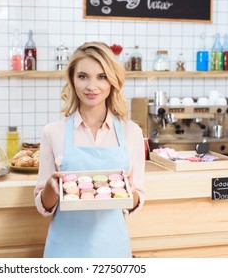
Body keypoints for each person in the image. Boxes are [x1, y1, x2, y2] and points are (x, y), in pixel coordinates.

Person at [34, 41, 145, 258]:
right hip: (64, 250)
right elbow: (43, 206)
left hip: (113, 250)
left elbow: (136, 204)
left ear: (113, 81)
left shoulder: (131, 132)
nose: (91, 86)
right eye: (83, 76)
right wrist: (50, 189)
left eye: (101, 76)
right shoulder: (53, 132)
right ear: (73, 80)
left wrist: (130, 191)